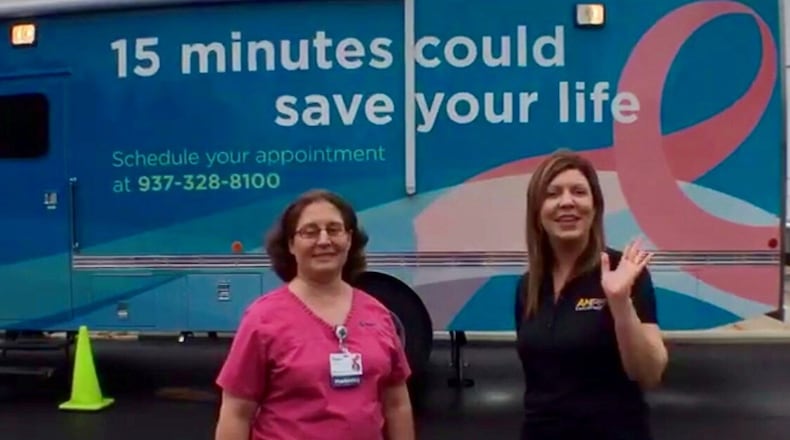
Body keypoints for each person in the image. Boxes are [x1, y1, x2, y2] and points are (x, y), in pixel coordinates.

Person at [214, 189, 415, 440]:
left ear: (349, 239)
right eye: (310, 231)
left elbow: (396, 403)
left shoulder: (377, 314)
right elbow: (237, 413)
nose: (323, 240)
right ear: (290, 244)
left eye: (334, 229)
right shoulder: (263, 318)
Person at [514, 150, 669, 439]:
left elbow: (649, 373)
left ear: (595, 206)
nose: (567, 202)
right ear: (537, 211)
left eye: (579, 192)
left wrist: (620, 302)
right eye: (552, 193)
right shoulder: (529, 287)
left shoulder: (624, 274)